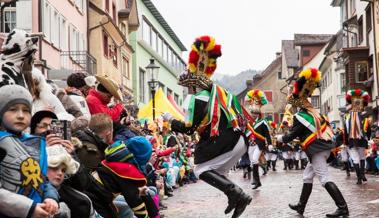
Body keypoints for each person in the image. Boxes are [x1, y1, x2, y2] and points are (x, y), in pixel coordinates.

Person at [162, 36, 252, 218]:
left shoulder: (199, 98)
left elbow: (188, 128)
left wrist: (170, 119)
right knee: (217, 172)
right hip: (239, 140)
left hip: (229, 141)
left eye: (188, 86)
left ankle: (239, 195)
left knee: (200, 170)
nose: (188, 90)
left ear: (193, 84)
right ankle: (234, 198)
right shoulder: (217, 93)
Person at [276, 68, 349, 217]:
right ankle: (301, 207)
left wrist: (280, 138)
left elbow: (292, 134)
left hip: (316, 150)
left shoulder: (300, 116)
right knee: (308, 176)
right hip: (322, 147)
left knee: (324, 178)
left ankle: (343, 207)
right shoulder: (313, 113)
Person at [0, 85, 59, 218]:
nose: (20, 116)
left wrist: (50, 197)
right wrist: (29, 208)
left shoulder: (36, 142)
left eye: (26, 110)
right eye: (12, 110)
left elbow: (43, 180)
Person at [244, 89, 272, 189]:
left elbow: (267, 134)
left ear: (258, 114)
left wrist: (270, 143)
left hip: (259, 145)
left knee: (255, 160)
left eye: (255, 114)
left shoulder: (262, 122)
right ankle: (256, 181)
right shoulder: (249, 123)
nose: (254, 115)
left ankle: (257, 181)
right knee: (252, 162)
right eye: (252, 113)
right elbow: (246, 133)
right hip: (250, 144)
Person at [343, 89, 371, 184]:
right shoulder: (364, 117)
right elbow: (368, 130)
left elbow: (345, 131)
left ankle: (359, 178)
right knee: (362, 158)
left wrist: (346, 142)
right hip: (362, 140)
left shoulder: (347, 117)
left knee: (355, 159)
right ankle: (362, 175)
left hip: (351, 140)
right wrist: (368, 138)